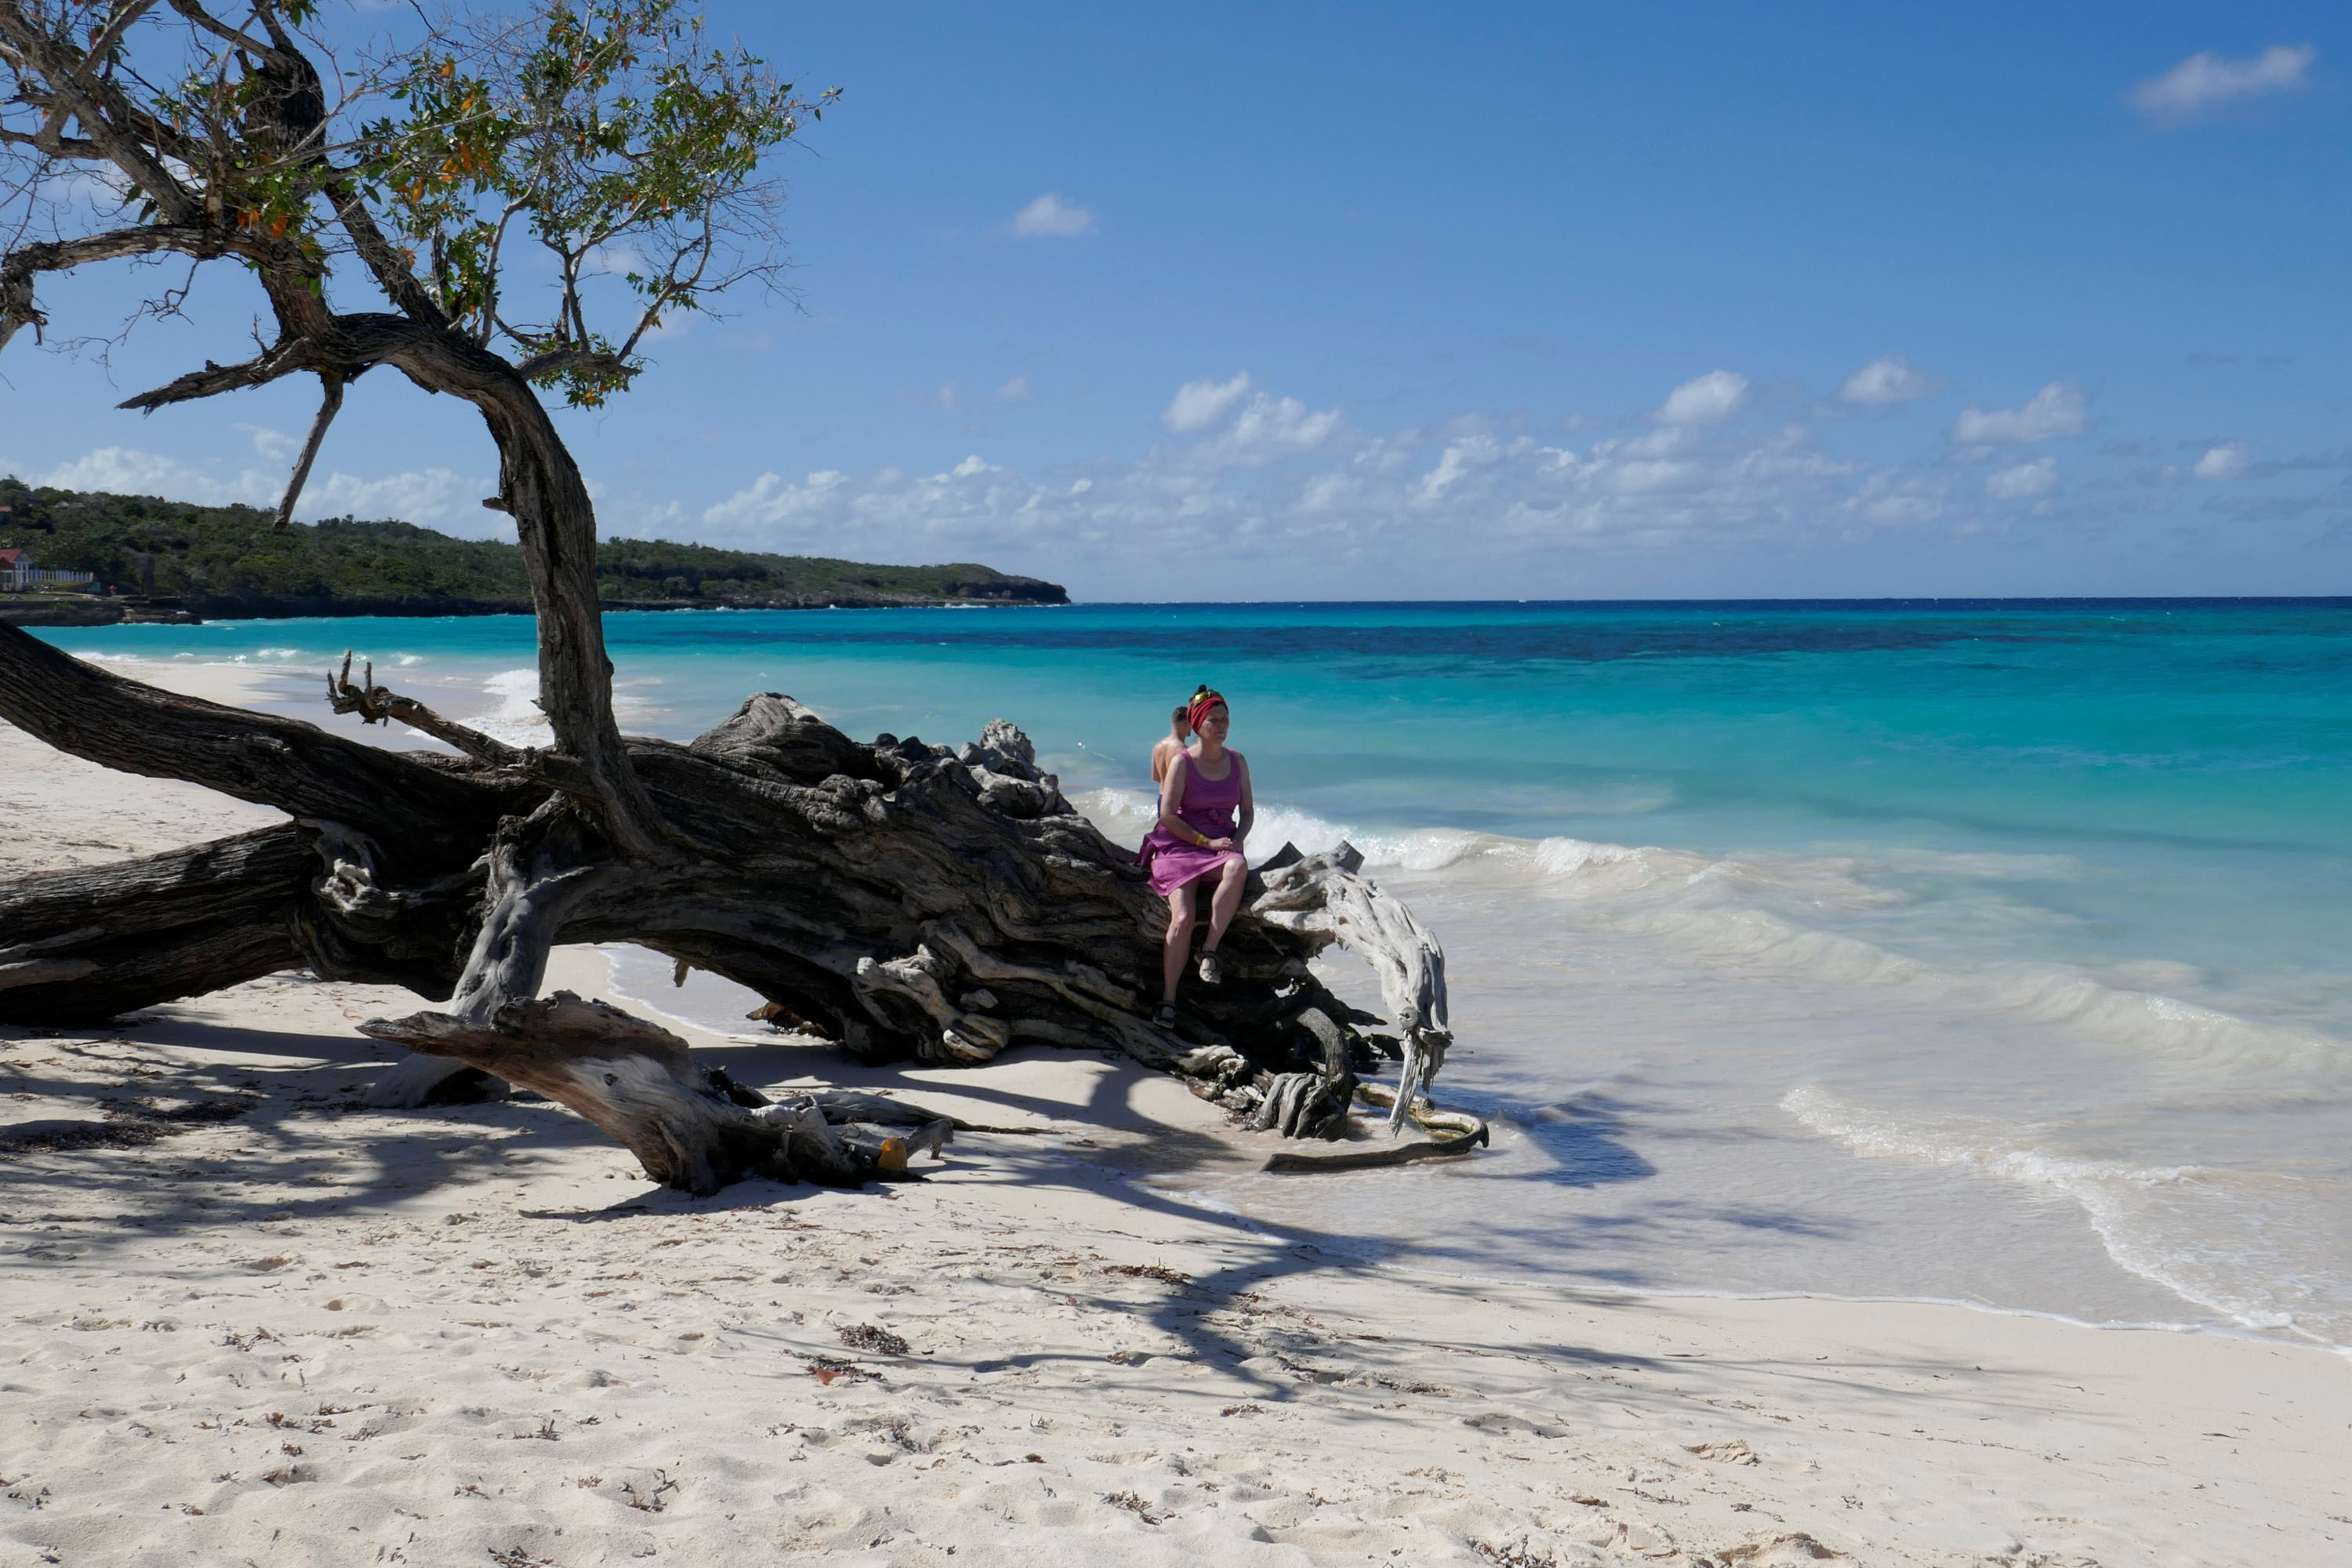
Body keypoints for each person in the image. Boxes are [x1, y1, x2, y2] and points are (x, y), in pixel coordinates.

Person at [1137, 684, 1254, 1027]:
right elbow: (1168, 815)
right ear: (1197, 724)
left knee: (1238, 867)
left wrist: (1239, 840)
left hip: (1220, 846)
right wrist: (1206, 841)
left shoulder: (1238, 761)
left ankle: (1209, 952)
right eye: (1213, 720)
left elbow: (1247, 812)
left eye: (1225, 719)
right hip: (1180, 845)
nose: (1221, 726)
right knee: (1183, 918)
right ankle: (1168, 1000)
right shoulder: (1182, 762)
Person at [1150, 703, 1191, 785]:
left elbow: (1155, 777)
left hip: (1162, 795)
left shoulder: (1158, 746)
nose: (1192, 727)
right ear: (1185, 723)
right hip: (1178, 797)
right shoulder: (1184, 751)